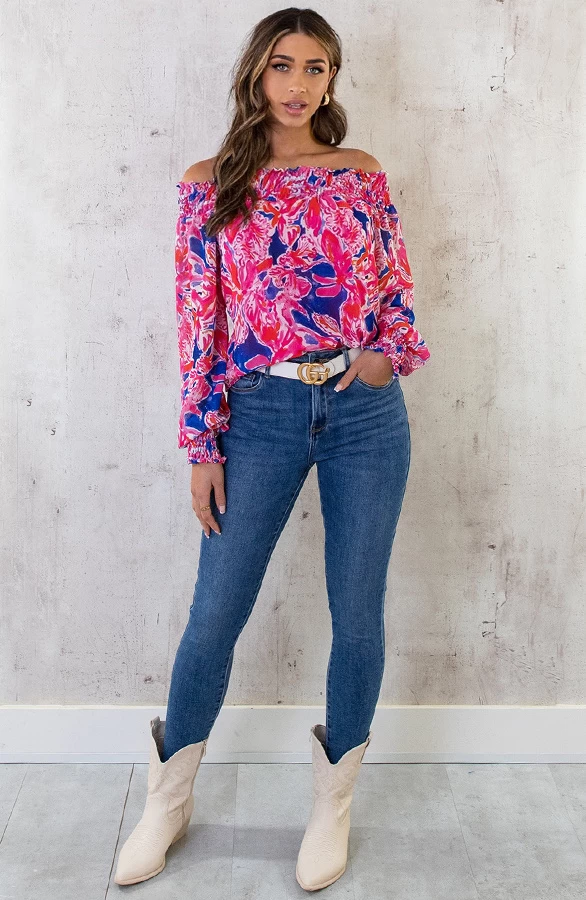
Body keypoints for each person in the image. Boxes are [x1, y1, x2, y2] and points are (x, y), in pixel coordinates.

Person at [115, 6, 430, 891]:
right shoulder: (210, 183)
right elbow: (199, 327)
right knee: (217, 612)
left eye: (316, 68)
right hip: (258, 415)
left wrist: (383, 357)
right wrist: (201, 445)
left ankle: (332, 808)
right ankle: (167, 801)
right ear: (256, 73)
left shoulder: (359, 172)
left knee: (357, 610)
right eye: (283, 65)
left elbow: (396, 288)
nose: (298, 84)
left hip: (366, 414)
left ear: (332, 80)